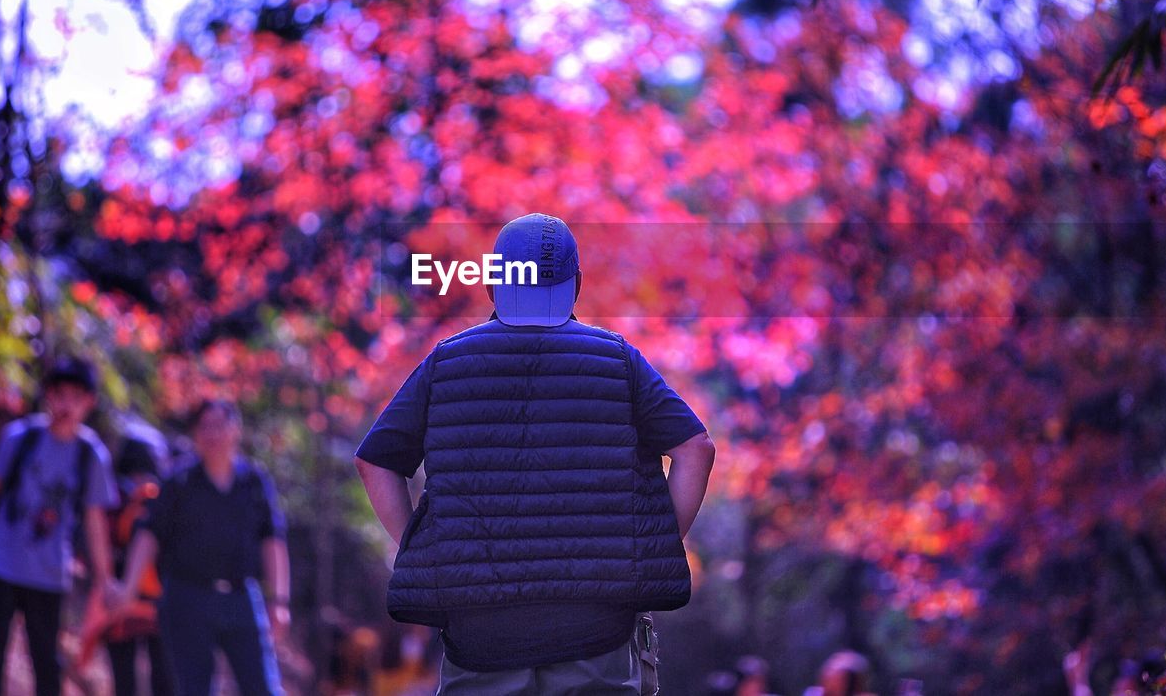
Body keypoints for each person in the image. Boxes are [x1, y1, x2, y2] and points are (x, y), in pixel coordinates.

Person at [354, 212, 717, 695]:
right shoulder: (617, 360)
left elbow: (375, 460)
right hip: (596, 630)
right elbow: (696, 447)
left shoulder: (447, 363)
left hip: (480, 636)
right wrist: (648, 543)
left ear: (491, 287)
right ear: (577, 285)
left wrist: (422, 547)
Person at [112, 399, 291, 696]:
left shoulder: (254, 481)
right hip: (186, 598)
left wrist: (280, 601)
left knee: (264, 688)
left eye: (220, 425)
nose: (213, 434)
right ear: (195, 434)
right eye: (204, 427)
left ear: (236, 430)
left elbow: (272, 538)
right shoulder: (177, 481)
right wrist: (128, 587)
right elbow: (148, 535)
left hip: (242, 597)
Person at [0, 355, 120, 696]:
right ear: (48, 395)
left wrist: (104, 580)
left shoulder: (90, 456)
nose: (66, 405)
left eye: (76, 398)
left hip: (49, 575)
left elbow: (95, 523)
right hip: (2, 564)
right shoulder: (19, 438)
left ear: (89, 403)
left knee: (46, 663)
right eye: (60, 395)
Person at [98, 418, 174, 695]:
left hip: (147, 602)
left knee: (156, 680)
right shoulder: (115, 498)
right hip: (134, 601)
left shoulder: (165, 501)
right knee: (137, 681)